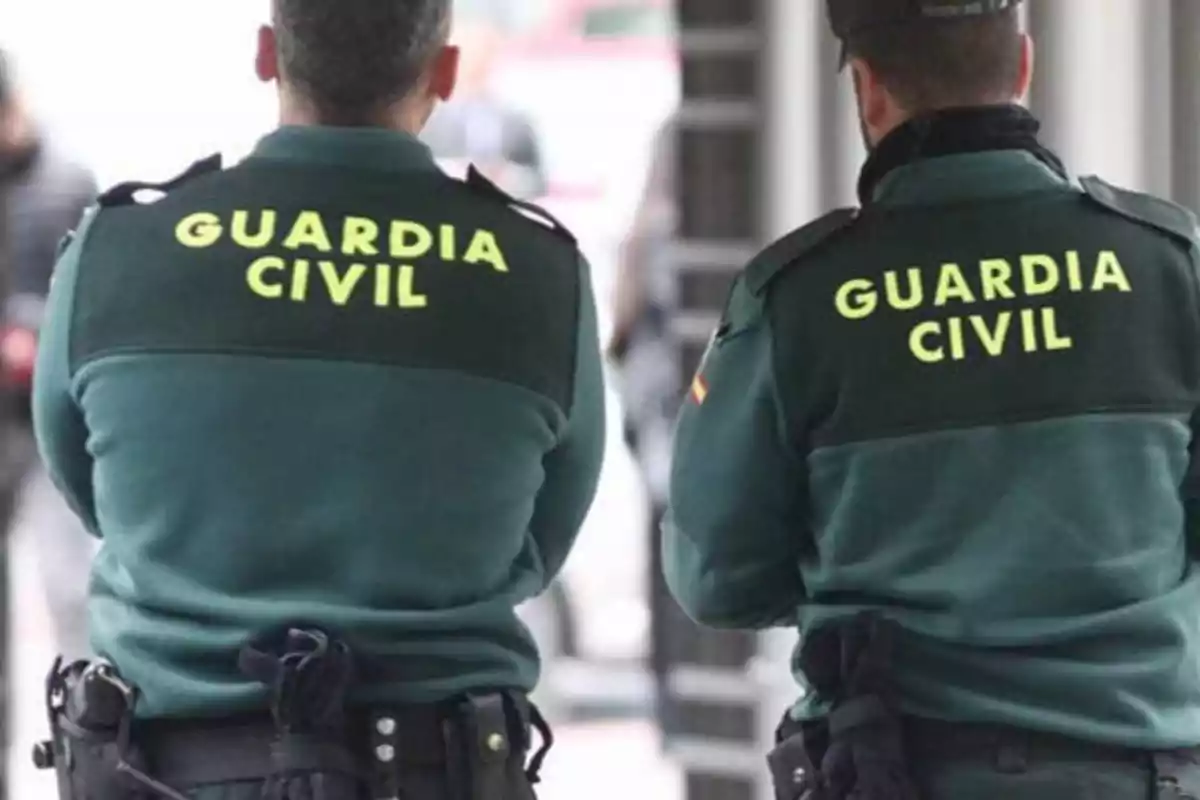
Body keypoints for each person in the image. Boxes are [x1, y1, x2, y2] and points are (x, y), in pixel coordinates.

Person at [30, 0, 605, 797]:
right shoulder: (537, 273)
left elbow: (90, 492)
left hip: (167, 770)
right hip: (437, 770)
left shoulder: (119, 249)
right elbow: (542, 541)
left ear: (267, 54)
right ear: (442, 71)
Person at [663, 1, 1200, 798]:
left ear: (869, 90)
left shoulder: (801, 297)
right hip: (1138, 772)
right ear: (1022, 64)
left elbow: (718, 578)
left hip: (902, 768)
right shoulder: (1167, 265)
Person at [0, 50, 99, 666]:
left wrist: (31, 330)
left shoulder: (67, 184)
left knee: (69, 590)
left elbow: (89, 297)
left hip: (50, 416)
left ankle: (84, 738)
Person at [606, 115, 683, 746]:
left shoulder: (644, 245)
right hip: (677, 426)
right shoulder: (668, 248)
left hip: (658, 427)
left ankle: (671, 707)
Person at [421, 18, 547, 199]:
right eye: (469, 54)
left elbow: (537, 180)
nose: (476, 62)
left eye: (483, 54)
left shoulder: (515, 122)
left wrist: (509, 178)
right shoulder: (430, 119)